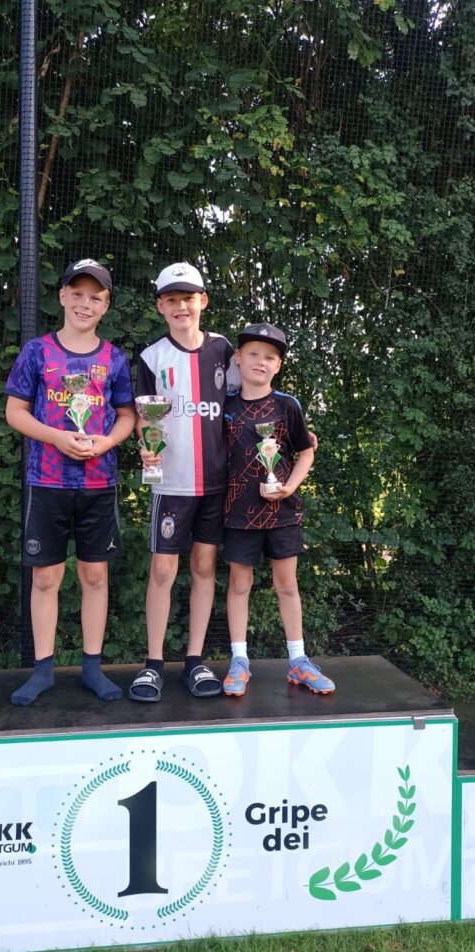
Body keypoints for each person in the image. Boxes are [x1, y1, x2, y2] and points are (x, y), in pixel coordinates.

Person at [4, 258, 136, 706]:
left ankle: (92, 669)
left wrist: (106, 442)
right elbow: (15, 412)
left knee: (95, 575)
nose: (85, 304)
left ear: (106, 305)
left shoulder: (114, 358)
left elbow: (127, 416)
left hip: (98, 482)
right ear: (61, 296)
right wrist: (57, 437)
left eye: (95, 297)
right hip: (47, 481)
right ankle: (43, 671)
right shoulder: (37, 352)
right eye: (77, 294)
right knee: (45, 578)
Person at [128, 262, 240, 702]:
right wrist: (146, 444)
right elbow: (144, 417)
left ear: (203, 301)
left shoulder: (224, 349)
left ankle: (195, 659)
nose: (181, 306)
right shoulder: (152, 357)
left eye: (188, 298)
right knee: (162, 569)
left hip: (215, 483)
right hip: (171, 483)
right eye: (172, 299)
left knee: (205, 567)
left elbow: (245, 400)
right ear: (160, 306)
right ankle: (153, 664)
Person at [222, 322, 335, 696]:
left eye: (270, 357)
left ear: (278, 365)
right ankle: (239, 661)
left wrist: (290, 487)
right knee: (240, 584)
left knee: (287, 584)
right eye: (253, 353)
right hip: (237, 511)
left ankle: (298, 661)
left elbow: (306, 452)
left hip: (282, 513)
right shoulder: (224, 407)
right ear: (238, 358)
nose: (260, 361)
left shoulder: (288, 406)